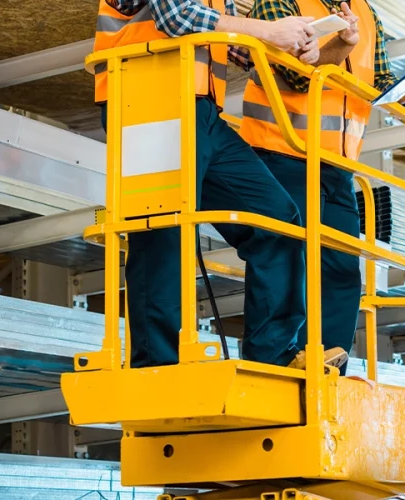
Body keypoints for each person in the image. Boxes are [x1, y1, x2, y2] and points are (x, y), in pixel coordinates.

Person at [93, 0, 347, 370]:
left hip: (202, 112)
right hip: (147, 100)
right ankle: (159, 365)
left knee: (277, 220)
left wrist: (265, 46)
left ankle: (274, 354)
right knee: (163, 233)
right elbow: (175, 16)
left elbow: (214, 35)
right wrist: (266, 30)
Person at [238, 0, 405, 373]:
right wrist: (343, 44)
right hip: (282, 152)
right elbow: (294, 75)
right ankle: (279, 362)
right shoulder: (280, 3)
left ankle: (327, 369)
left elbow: (378, 86)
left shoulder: (366, 12)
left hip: (337, 165)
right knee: (288, 260)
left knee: (342, 271)